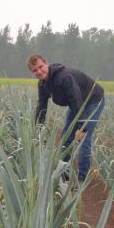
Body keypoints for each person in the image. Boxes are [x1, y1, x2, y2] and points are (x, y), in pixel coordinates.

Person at [28, 53, 105, 182]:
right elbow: (41, 107)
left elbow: (76, 99)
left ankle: (82, 178)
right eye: (35, 70)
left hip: (93, 101)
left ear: (46, 63)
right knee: (66, 138)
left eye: (41, 67)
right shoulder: (42, 84)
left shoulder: (64, 77)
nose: (39, 71)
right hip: (76, 104)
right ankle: (65, 174)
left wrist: (82, 127)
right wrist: (37, 128)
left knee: (84, 138)